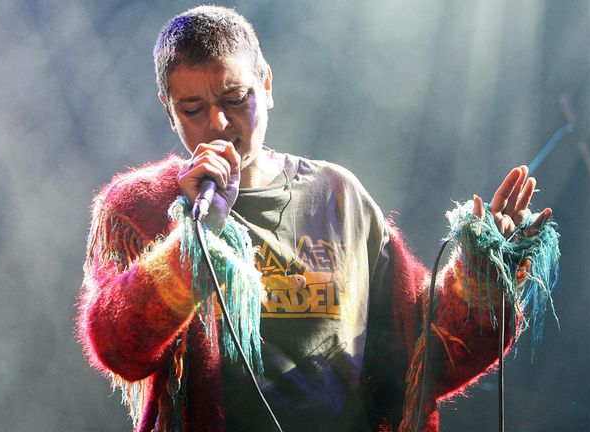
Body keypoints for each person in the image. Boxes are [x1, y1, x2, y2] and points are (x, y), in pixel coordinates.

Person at [76, 6, 559, 432]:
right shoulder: (139, 206)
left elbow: (423, 350)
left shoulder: (337, 193)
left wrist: (484, 267)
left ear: (266, 85)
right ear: (169, 112)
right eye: (193, 108)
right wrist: (194, 243)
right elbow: (116, 346)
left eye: (233, 98)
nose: (218, 123)